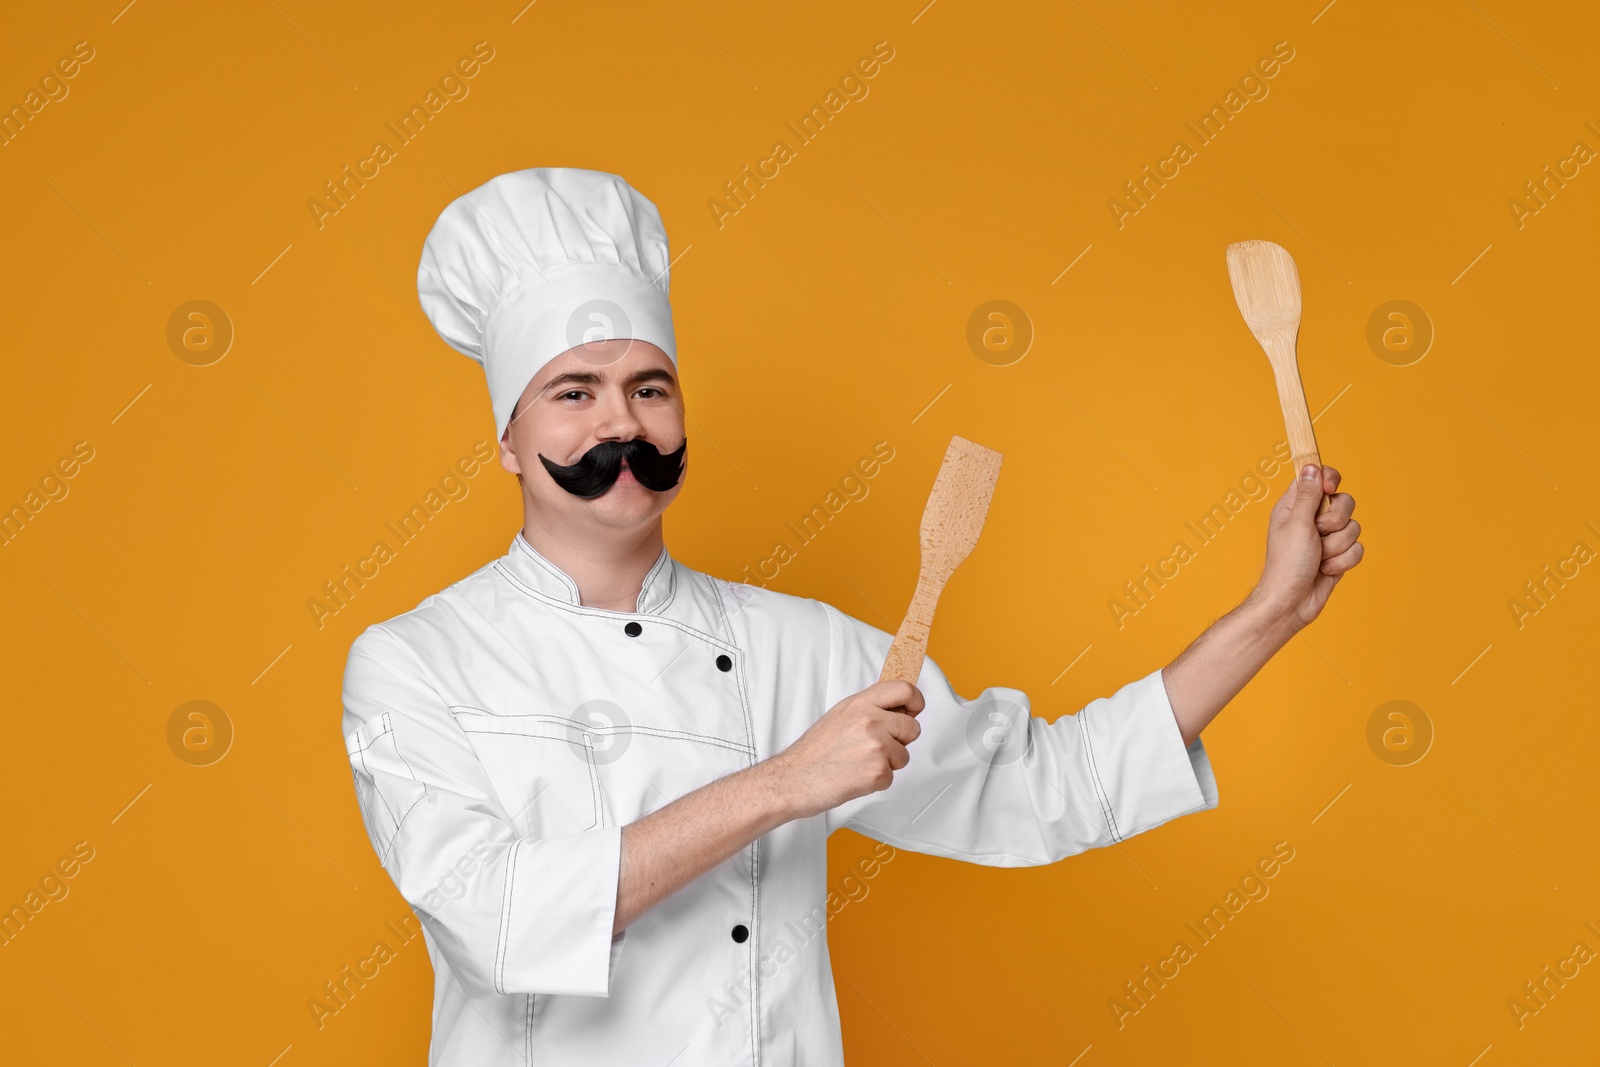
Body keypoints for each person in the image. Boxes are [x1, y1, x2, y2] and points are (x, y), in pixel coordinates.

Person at [339, 167, 1364, 1065]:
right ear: (509, 441)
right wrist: (787, 781)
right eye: (574, 392)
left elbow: (1052, 788)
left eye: (649, 387)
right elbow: (499, 921)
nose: (622, 423)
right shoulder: (416, 661)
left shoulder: (799, 646)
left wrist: (1270, 611)